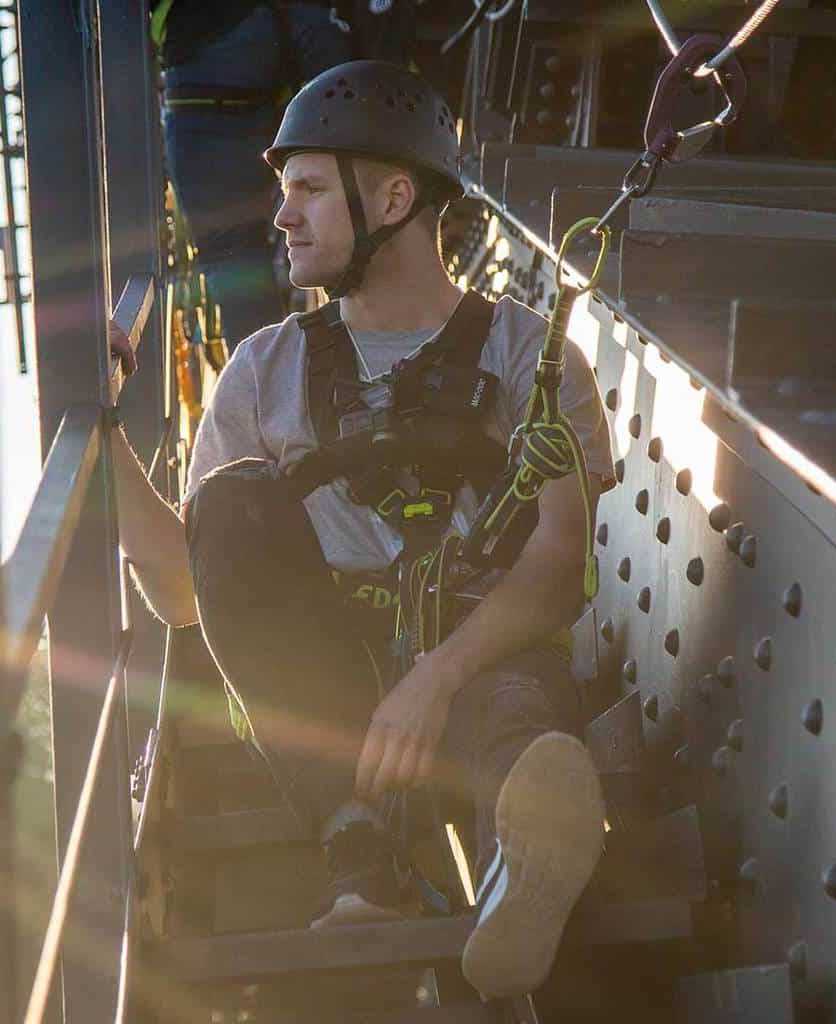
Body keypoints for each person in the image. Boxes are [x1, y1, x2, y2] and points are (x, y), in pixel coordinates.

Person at [111, 60, 617, 999]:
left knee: (517, 719)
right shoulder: (262, 370)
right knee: (229, 498)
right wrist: (102, 439)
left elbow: (558, 569)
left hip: (477, 660)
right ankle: (362, 858)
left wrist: (436, 676)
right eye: (283, 191)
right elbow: (186, 592)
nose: (281, 217)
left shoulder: (532, 357)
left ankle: (526, 860)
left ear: (391, 197)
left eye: (306, 188)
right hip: (327, 695)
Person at [156, 1, 350, 342]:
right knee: (242, 258)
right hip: (236, 111)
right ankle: (280, 377)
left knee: (234, 259)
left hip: (206, 114)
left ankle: (271, 380)